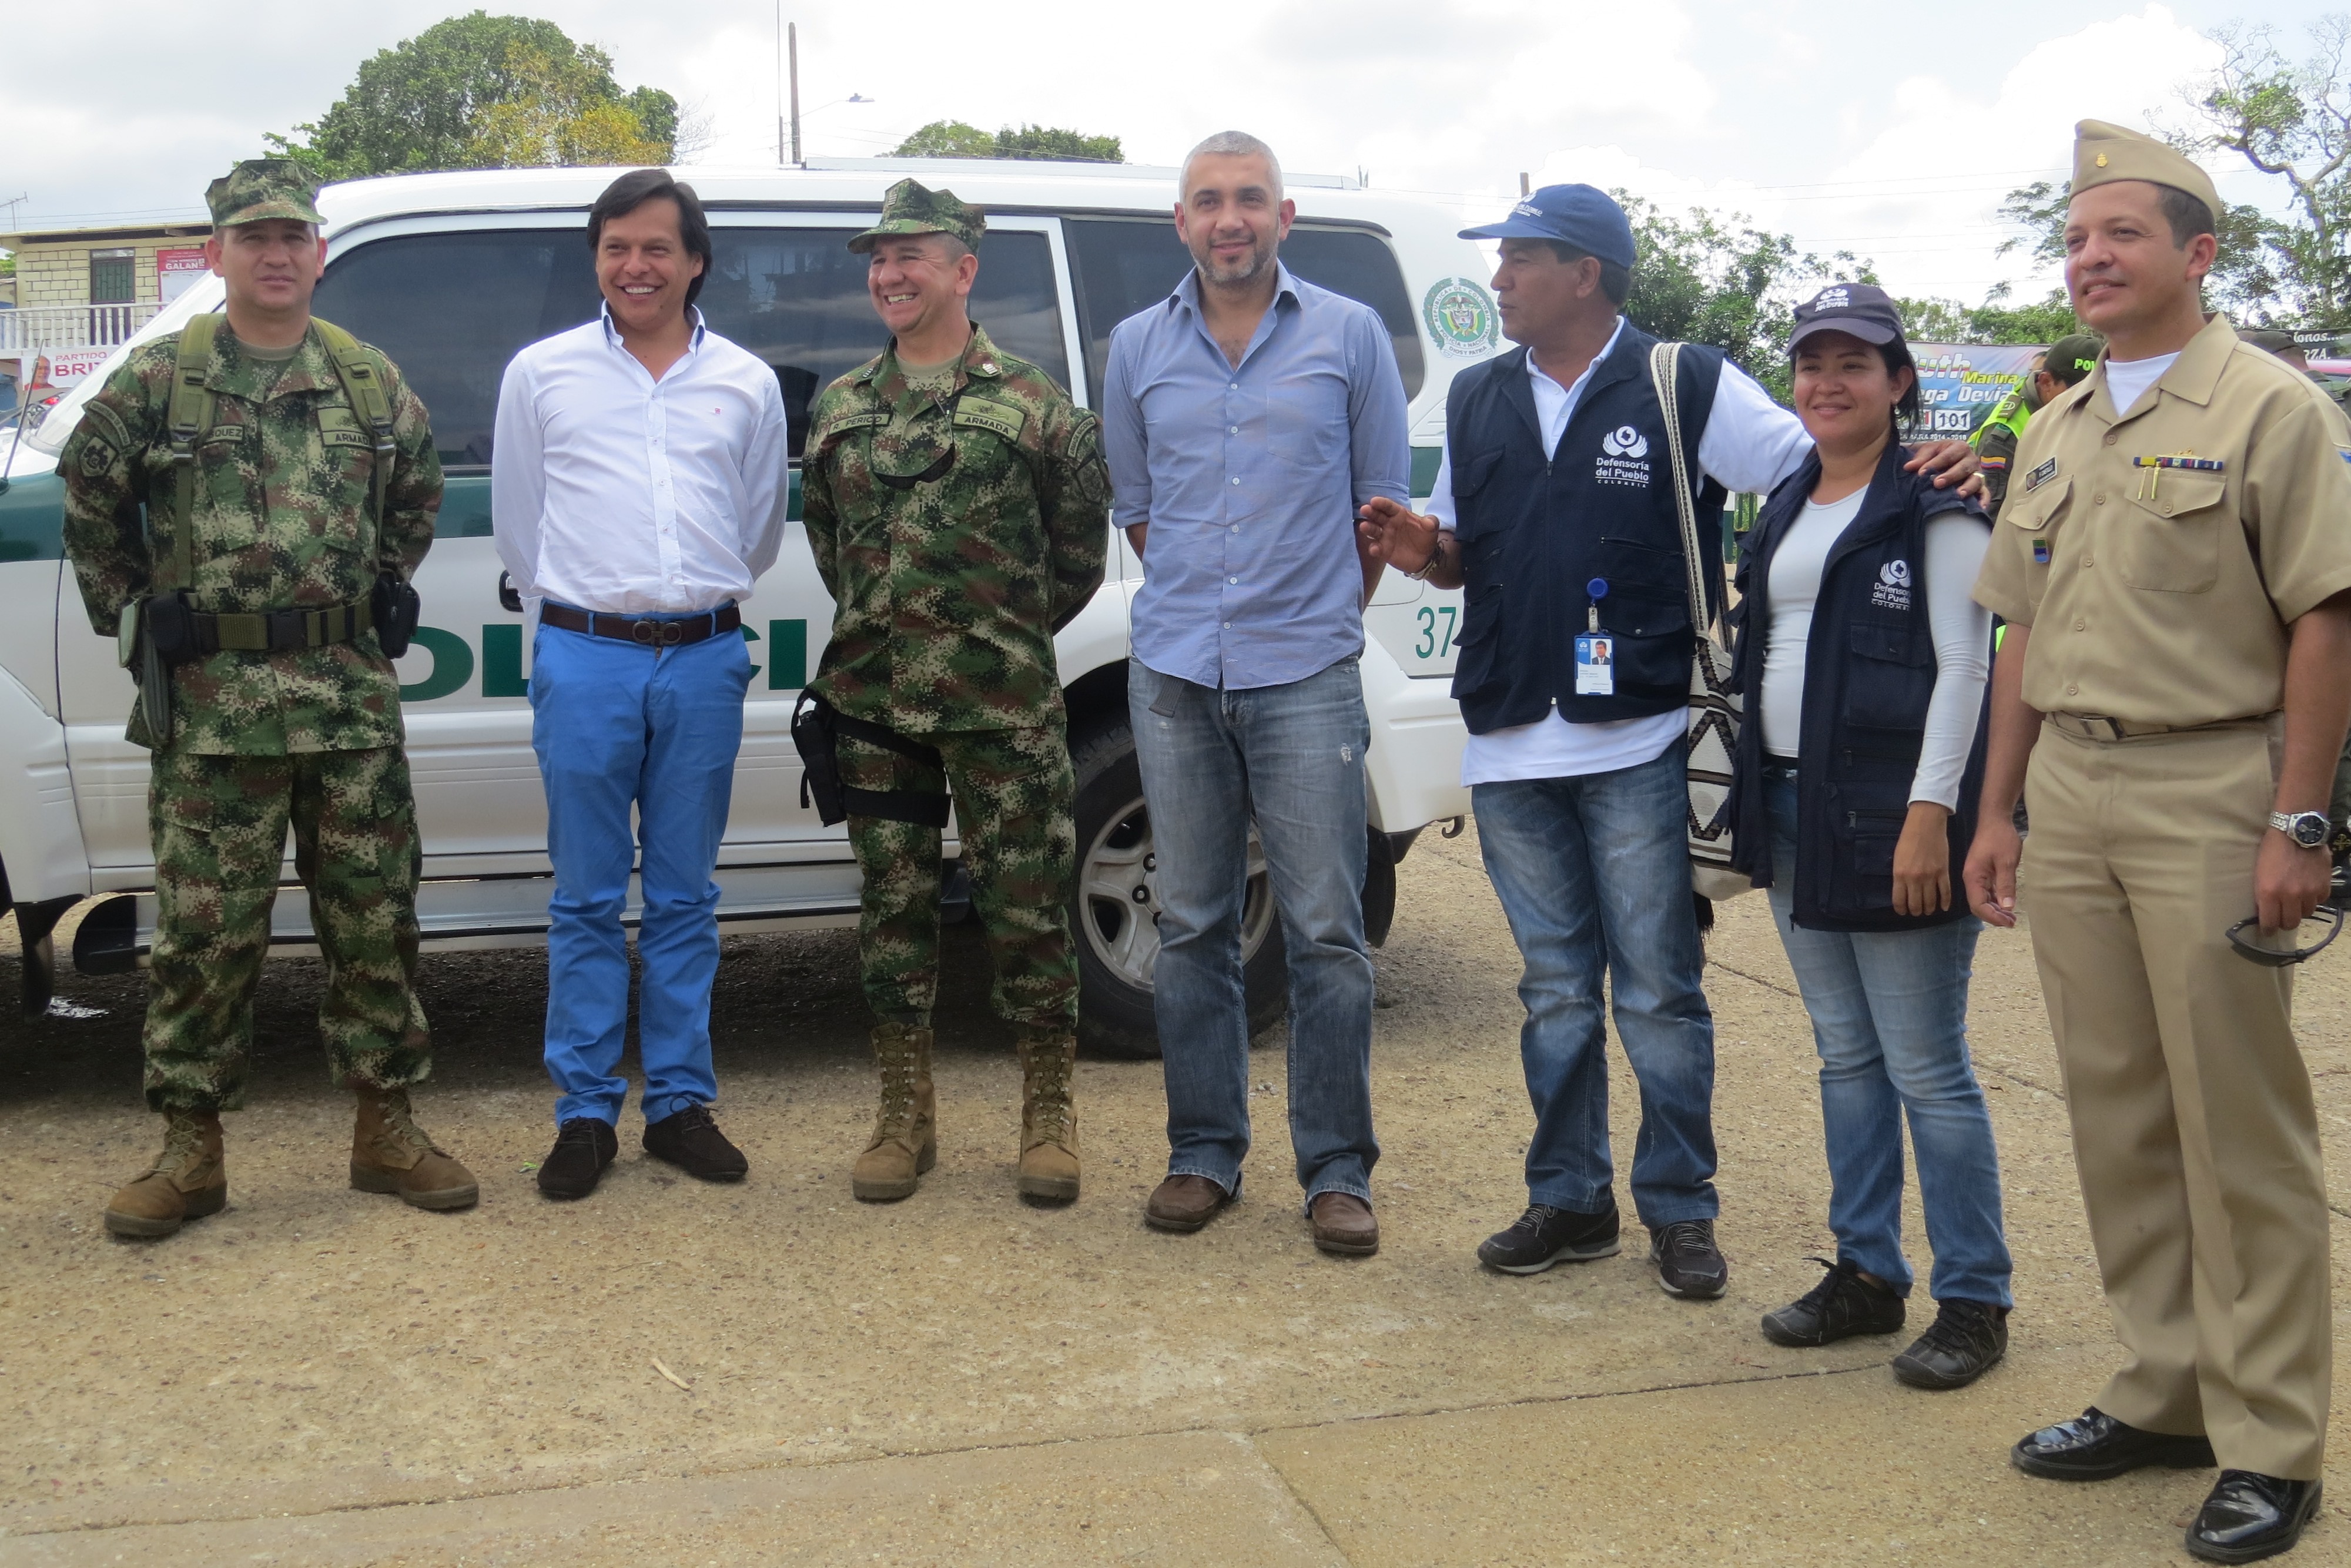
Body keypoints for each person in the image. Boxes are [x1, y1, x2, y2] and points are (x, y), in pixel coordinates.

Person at [1355, 185, 1980, 1299]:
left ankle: (1681, 1209)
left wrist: (1942, 468)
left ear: (1585, 273)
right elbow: (1461, 555)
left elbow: (1824, 467)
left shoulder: (1679, 380)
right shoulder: (1481, 396)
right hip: (1508, 740)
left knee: (1657, 989)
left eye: (1519, 261)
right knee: (1553, 992)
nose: (1497, 281)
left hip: (1640, 732)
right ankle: (1569, 1198)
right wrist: (1421, 547)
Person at [1964, 120, 2351, 1563]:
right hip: (2070, 784)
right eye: (2072, 240)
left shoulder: (2265, 407)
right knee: (2116, 1110)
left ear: (2197, 254)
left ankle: (2269, 1441)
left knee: (2237, 1126)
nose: (2088, 259)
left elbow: (2326, 610)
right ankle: (2164, 1387)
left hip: (2211, 787)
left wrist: (2296, 815)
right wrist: (1997, 807)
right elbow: (2016, 628)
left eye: (2118, 235)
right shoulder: (2055, 424)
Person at [60, 159, 475, 1237]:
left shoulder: (367, 379)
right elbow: (91, 501)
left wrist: (374, 588)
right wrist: (138, 615)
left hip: (347, 707)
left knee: (376, 924)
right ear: (218, 256)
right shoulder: (159, 381)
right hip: (212, 714)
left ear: (320, 254)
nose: (277, 254)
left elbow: (416, 491)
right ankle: (190, 1152)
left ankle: (388, 1130)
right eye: (254, 239)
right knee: (206, 938)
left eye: (294, 236)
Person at [1101, 130, 1409, 1256]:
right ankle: (1203, 1154)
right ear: (1178, 224)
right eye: (1206, 202)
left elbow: (1379, 507)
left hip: (1308, 677)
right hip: (1176, 674)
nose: (1228, 219)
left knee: (1327, 930)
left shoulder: (1350, 335)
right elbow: (1143, 512)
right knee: (1191, 926)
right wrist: (1212, 605)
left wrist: (1310, 609)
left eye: (1250, 200)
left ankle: (1336, 1170)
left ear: (1285, 217)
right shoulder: (1136, 347)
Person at [1723, 283, 2012, 1389]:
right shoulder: (1795, 492)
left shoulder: (1933, 503)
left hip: (1896, 816)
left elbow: (1966, 664)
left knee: (1929, 1068)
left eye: (1856, 363)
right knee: (1845, 1056)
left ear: (1900, 384)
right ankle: (1867, 1272)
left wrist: (1933, 814)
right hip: (1797, 806)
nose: (1827, 383)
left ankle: (1975, 1299)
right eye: (1811, 364)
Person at [800, 179, 1108, 1204]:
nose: (890, 275)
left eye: (912, 257)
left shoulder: (1035, 407)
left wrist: (992, 641)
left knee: (1027, 909)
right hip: (876, 706)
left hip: (1004, 706)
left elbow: (1079, 561)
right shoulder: (841, 409)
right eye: (879, 261)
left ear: (964, 270)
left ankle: (1047, 1115)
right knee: (893, 910)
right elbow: (833, 552)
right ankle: (904, 1115)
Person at [492, 169, 789, 1200]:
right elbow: (520, 525)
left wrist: (682, 612)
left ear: (695, 260)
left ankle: (678, 1104)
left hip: (704, 658)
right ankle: (582, 1114)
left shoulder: (747, 384)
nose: (637, 266)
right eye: (617, 247)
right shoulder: (542, 375)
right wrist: (584, 621)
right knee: (582, 898)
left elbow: (752, 536)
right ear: (597, 259)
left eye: (657, 247)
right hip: (585, 657)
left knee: (684, 896)